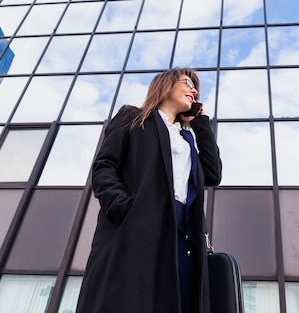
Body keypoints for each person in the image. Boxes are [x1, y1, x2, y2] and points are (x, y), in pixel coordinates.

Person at [75, 67, 222, 313]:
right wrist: (125, 209)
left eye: (195, 87)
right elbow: (104, 167)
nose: (194, 90)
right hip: (139, 229)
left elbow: (213, 174)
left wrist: (200, 124)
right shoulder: (132, 117)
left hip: (184, 238)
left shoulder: (186, 140)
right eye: (187, 82)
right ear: (165, 85)